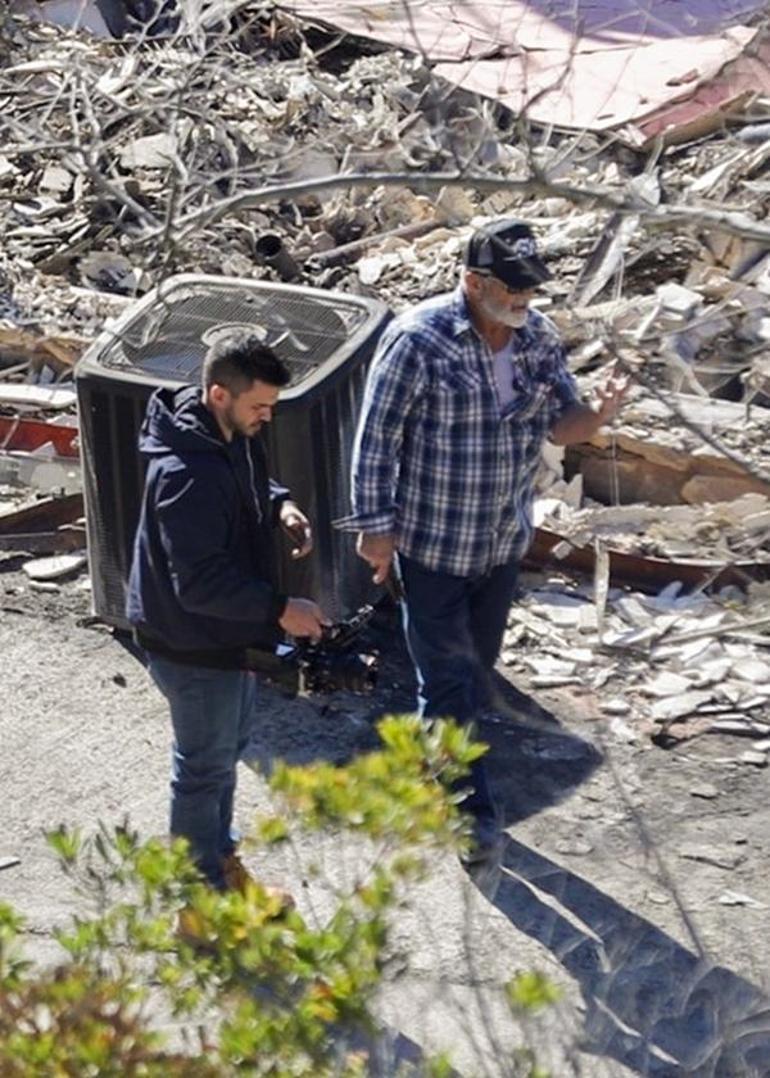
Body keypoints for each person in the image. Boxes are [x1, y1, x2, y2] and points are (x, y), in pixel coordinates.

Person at [344, 219, 628, 860]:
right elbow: (375, 440)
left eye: (531, 288)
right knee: (446, 680)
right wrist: (375, 531)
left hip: (501, 543)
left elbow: (562, 426)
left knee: (474, 673)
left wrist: (600, 418)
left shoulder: (537, 339)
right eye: (512, 287)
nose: (525, 301)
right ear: (474, 283)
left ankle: (432, 765)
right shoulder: (418, 340)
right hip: (435, 545)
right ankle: (470, 813)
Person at [127, 329, 328, 892]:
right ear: (219, 394)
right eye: (259, 406)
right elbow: (198, 584)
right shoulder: (186, 475)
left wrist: (279, 503)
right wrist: (283, 608)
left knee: (227, 749)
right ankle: (198, 897)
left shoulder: (228, 434)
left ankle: (220, 863)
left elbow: (249, 481)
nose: (267, 416)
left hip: (225, 636)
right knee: (203, 768)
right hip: (190, 641)